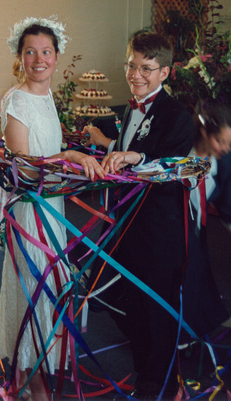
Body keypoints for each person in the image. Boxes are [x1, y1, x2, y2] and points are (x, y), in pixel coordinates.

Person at [0, 15, 105, 401]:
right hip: (31, 210)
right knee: (33, 286)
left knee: (50, 289)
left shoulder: (46, 97)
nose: (39, 59)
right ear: (20, 57)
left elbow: (49, 162)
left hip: (52, 207)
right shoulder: (17, 99)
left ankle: (35, 367)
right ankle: (32, 379)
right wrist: (71, 154)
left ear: (57, 57)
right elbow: (25, 167)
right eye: (31, 52)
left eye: (46, 52)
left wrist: (77, 162)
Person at [83, 32, 194, 399]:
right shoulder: (130, 108)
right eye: (132, 65)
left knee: (156, 310)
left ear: (165, 72)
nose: (136, 74)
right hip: (125, 226)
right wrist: (112, 148)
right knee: (120, 299)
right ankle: (147, 369)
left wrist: (137, 159)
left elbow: (174, 166)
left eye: (146, 68)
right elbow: (132, 149)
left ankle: (160, 383)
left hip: (160, 233)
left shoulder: (179, 114)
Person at [182, 102, 231, 341]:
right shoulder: (179, 149)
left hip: (195, 230)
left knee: (195, 281)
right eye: (220, 141)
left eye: (230, 144)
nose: (225, 149)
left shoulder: (226, 162)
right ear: (204, 132)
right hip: (168, 227)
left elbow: (230, 210)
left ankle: (186, 334)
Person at [0, 59, 25, 246]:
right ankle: (3, 231)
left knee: (5, 191)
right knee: (10, 191)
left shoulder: (10, 93)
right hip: (14, 150)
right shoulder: (16, 95)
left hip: (8, 148)